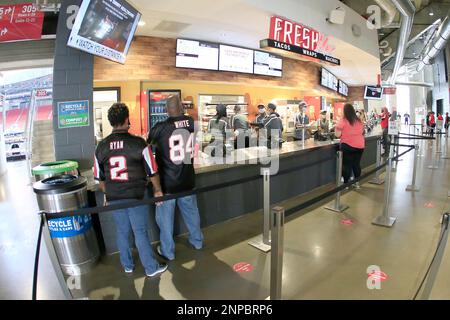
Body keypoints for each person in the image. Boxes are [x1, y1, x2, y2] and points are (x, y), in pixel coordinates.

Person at [93, 103, 168, 277]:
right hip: (136, 195)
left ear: (111, 122)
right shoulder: (139, 143)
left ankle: (127, 265)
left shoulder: (101, 147)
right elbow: (153, 170)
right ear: (127, 119)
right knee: (140, 231)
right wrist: (157, 190)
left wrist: (106, 194)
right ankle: (150, 268)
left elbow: (99, 179)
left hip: (114, 196)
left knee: (122, 231)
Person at [147, 95, 204, 261]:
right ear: (181, 107)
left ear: (166, 110)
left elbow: (146, 148)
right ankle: (197, 241)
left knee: (165, 221)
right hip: (187, 180)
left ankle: (168, 252)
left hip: (167, 183)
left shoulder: (160, 127)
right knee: (192, 215)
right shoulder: (192, 122)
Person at [335, 104, 365, 189]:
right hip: (360, 146)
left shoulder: (343, 121)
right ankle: (357, 183)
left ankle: (346, 184)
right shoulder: (359, 121)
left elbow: (337, 135)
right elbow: (362, 131)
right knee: (356, 164)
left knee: (346, 165)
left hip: (348, 146)